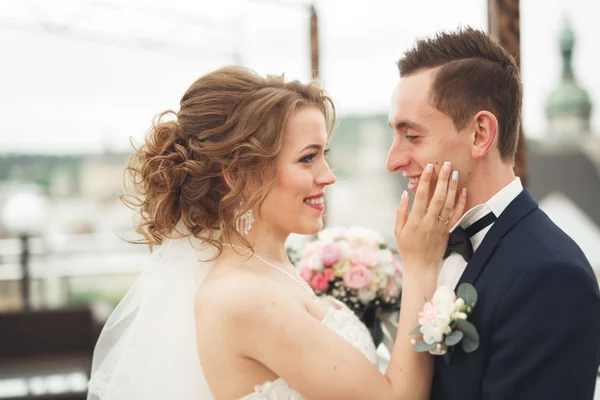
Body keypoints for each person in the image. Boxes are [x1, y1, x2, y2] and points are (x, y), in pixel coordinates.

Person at [87, 65, 465, 399]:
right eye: (307, 158)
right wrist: (420, 263)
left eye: (324, 155)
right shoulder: (242, 297)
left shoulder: (271, 270)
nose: (327, 176)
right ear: (240, 178)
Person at [386, 27, 600, 399]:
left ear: (480, 134)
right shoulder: (424, 250)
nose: (393, 161)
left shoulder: (550, 276)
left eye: (413, 136)